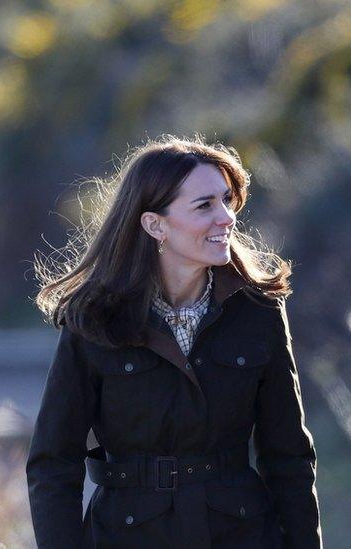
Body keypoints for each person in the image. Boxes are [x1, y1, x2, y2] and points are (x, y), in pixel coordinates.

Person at [28, 135, 322, 548]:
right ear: (155, 224)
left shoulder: (259, 310)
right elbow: (54, 465)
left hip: (241, 534)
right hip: (126, 536)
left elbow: (288, 455)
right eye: (204, 205)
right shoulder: (94, 318)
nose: (226, 218)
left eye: (226, 200)